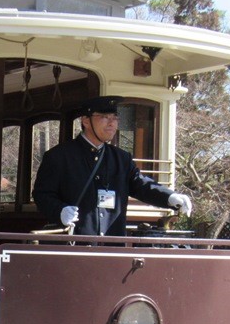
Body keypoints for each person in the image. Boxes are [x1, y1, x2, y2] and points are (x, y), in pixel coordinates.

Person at [32, 95, 192, 236]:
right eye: (104, 117)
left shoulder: (121, 158)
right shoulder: (59, 156)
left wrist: (169, 197)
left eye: (115, 118)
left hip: (112, 246)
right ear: (86, 121)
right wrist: (59, 211)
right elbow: (42, 195)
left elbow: (141, 185)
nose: (112, 123)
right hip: (75, 247)